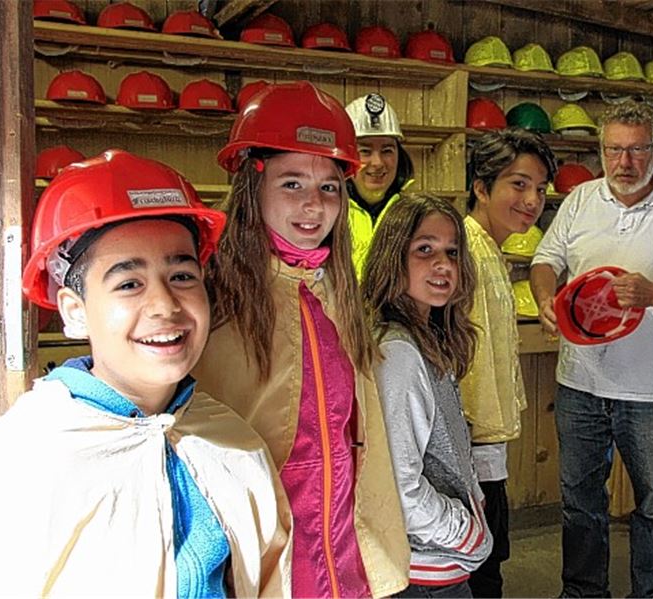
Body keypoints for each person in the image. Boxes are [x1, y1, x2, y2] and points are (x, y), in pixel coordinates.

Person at [0, 150, 291, 597]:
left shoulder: (233, 442)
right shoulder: (19, 458)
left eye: (182, 276)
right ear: (74, 311)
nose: (165, 305)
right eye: (128, 284)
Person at [194, 81, 410, 598]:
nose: (313, 205)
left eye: (329, 187)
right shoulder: (211, 290)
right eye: (292, 184)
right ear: (253, 184)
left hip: (341, 538)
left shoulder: (333, 287)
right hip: (262, 546)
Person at [530, 100, 653, 598]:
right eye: (614, 149)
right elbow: (546, 259)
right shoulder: (580, 201)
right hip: (580, 381)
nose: (624, 162)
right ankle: (583, 593)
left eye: (637, 150)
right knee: (579, 500)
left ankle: (651, 594)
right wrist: (544, 297)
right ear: (601, 149)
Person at [362, 193, 493, 597]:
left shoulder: (424, 338)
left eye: (452, 252)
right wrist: (468, 534)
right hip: (423, 574)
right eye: (424, 250)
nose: (443, 265)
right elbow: (401, 489)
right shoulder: (400, 353)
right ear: (393, 258)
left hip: (436, 565)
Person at [461, 128, 557, 598]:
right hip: (466, 443)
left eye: (539, 189)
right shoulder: (461, 250)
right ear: (482, 187)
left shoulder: (488, 249)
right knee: (479, 568)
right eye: (518, 185)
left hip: (484, 442)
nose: (532, 199)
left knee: (489, 558)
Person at [345, 92, 416, 273]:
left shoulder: (415, 216)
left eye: (387, 151)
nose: (377, 163)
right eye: (365, 151)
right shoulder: (327, 214)